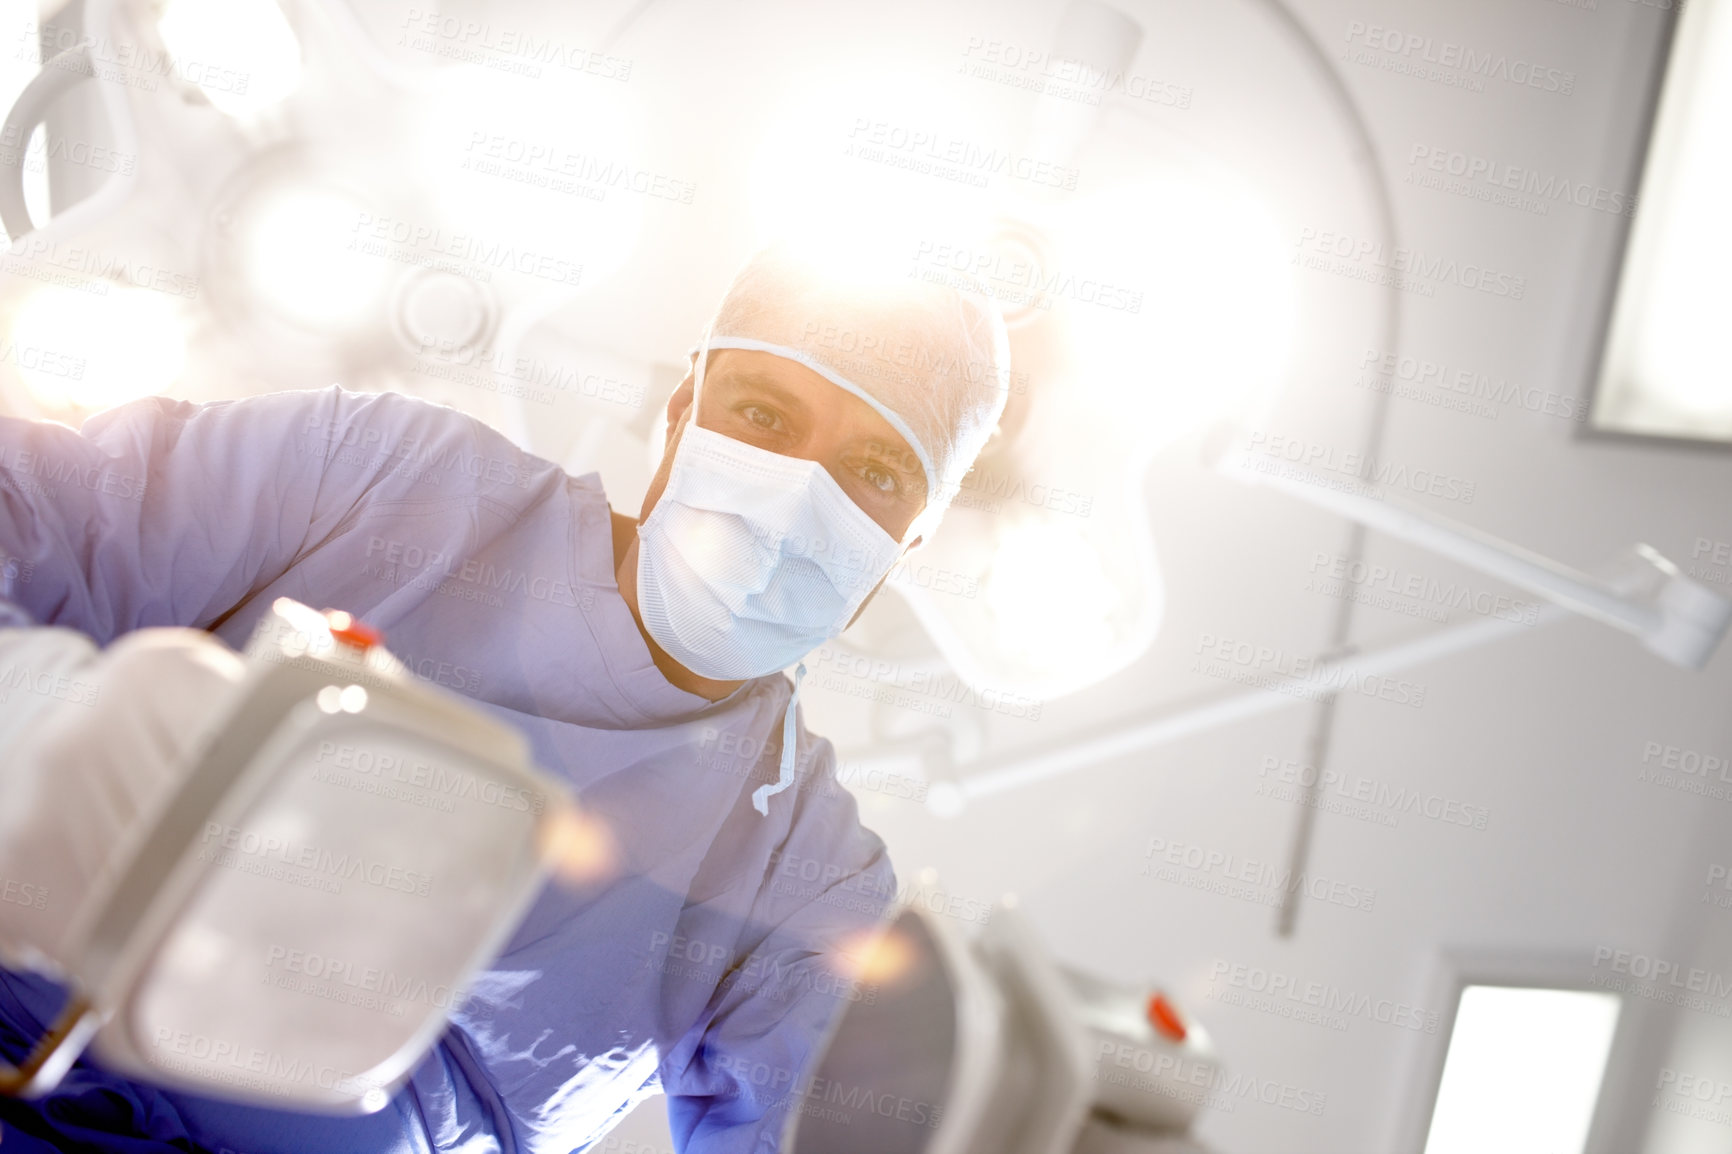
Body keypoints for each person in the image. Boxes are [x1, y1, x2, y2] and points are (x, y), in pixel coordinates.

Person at [0, 243, 1010, 1153]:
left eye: (874, 470)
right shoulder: (399, 484)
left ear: (905, 549)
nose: (796, 491)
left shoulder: (806, 880)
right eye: (763, 413)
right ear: (680, 413)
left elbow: (837, 1123)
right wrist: (38, 714)